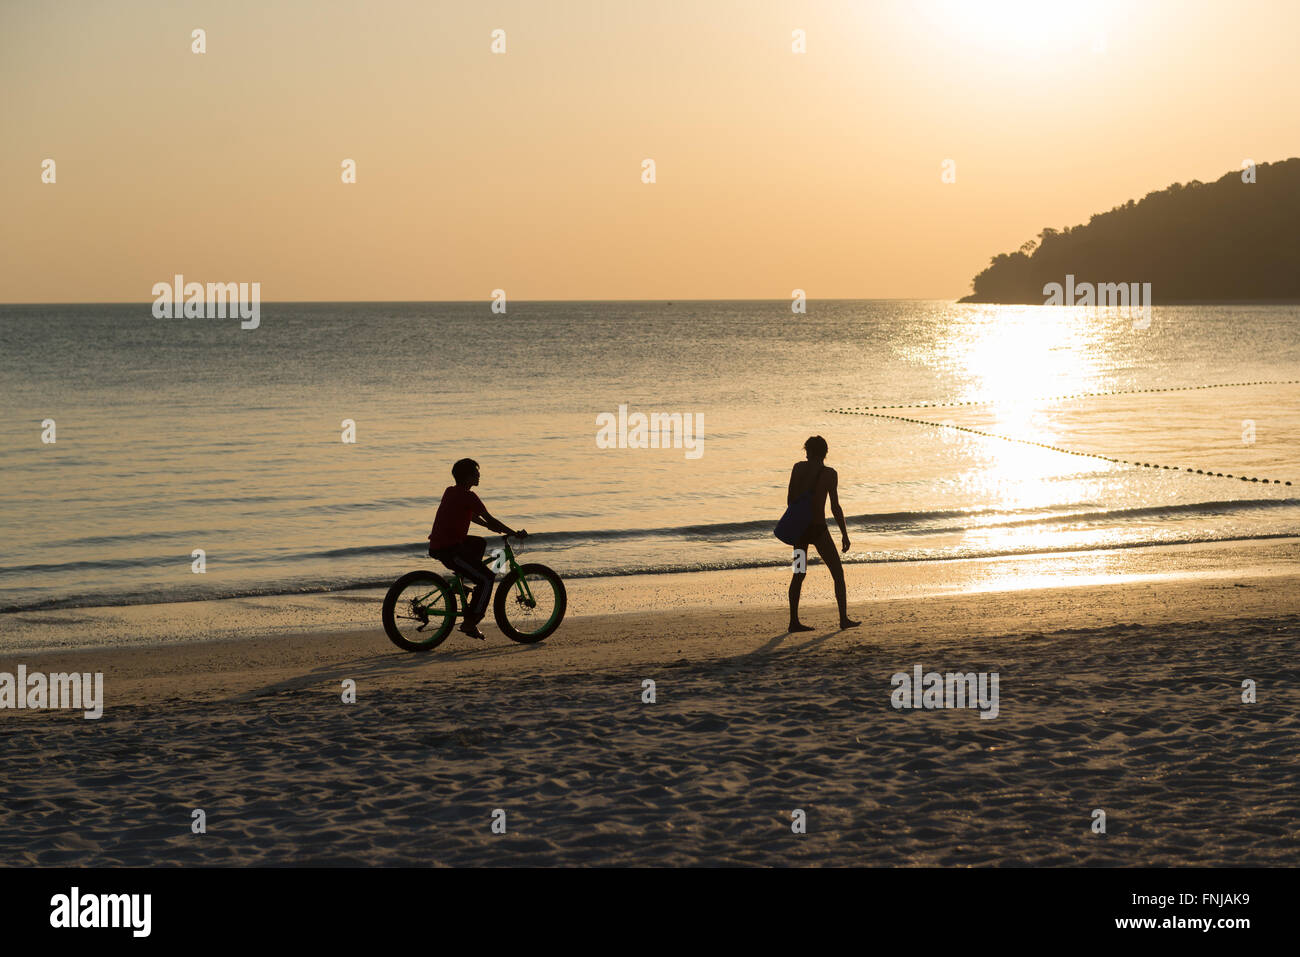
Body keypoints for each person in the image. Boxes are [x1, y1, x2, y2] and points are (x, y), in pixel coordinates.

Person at [427, 458, 527, 640]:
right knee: (487, 579)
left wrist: (489, 527)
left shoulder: (451, 491)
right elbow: (490, 519)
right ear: (467, 477)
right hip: (450, 549)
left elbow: (470, 515)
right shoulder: (469, 496)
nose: (479, 475)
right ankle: (470, 623)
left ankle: (462, 583)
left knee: (478, 543)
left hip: (438, 545)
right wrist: (513, 532)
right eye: (475, 473)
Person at [787, 436, 860, 633]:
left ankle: (793, 622)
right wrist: (844, 534)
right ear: (825, 453)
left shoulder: (797, 468)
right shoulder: (830, 474)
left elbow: (790, 500)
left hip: (800, 531)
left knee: (799, 574)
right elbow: (835, 506)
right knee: (837, 573)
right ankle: (843, 619)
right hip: (818, 530)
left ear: (809, 451)